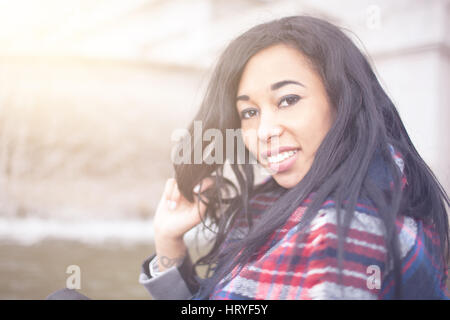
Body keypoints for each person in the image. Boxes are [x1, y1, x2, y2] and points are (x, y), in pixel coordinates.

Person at [47, 15, 449, 300]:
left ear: (343, 103)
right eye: (249, 112)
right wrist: (169, 241)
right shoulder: (293, 199)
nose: (264, 131)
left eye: (288, 100)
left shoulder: (344, 227)